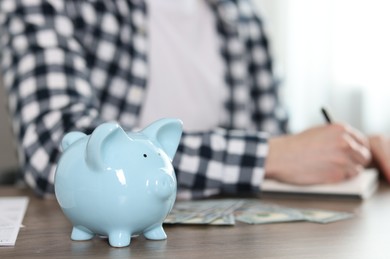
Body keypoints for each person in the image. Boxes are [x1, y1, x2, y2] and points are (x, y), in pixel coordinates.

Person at [0, 0, 389, 199]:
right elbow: (56, 149)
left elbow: (285, 149)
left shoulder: (243, 17)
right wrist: (267, 157)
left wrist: (355, 148)